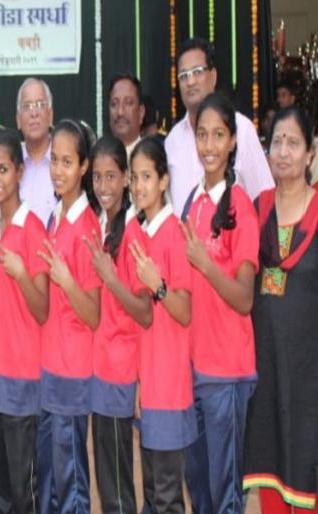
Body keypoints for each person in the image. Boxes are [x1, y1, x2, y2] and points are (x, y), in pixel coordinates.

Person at [181, 93, 259, 514]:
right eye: (202, 135)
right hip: (194, 370)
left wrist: (205, 263)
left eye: (218, 135)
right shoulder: (193, 203)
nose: (209, 145)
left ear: (232, 142)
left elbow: (244, 298)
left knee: (225, 492)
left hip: (227, 373)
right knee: (200, 489)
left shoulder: (240, 206)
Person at [243, 106, 318, 513]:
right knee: (268, 467)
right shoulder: (256, 210)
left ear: (310, 154)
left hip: (310, 374)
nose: (283, 152)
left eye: (293, 143)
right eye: (277, 142)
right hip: (266, 368)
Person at [0, 129, 49, 513]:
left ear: (19, 172)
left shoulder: (34, 228)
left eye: (4, 169)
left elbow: (42, 309)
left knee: (23, 490)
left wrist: (21, 274)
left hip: (21, 381)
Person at [84, 135, 152, 514]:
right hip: (101, 369)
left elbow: (145, 311)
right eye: (97, 177)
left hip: (119, 371)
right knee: (108, 478)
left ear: (127, 178)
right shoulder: (102, 226)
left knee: (118, 486)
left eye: (111, 176)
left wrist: (110, 278)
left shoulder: (133, 233)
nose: (103, 186)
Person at [36, 119, 101, 514]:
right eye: (54, 161)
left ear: (84, 167)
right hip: (49, 366)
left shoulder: (87, 228)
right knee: (49, 475)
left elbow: (93, 314)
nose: (58, 171)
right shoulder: (54, 217)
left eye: (67, 162)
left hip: (73, 371)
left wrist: (66, 280)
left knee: (71, 478)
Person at [129, 137, 197, 513]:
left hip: (171, 387)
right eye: (134, 177)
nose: (139, 186)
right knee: (154, 493)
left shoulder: (174, 233)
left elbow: (184, 310)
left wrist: (158, 285)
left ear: (164, 181)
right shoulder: (142, 233)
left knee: (167, 497)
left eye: (147, 177)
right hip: (150, 384)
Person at [165, 37, 273, 217]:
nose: (190, 82)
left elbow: (265, 201)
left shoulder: (241, 129)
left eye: (197, 72)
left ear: (213, 76)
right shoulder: (172, 142)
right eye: (183, 76)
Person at [17, 78, 56, 224]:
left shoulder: (63, 162)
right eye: (27, 106)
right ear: (18, 120)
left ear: (50, 115)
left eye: (40, 105)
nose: (34, 113)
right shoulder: (11, 164)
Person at [108, 74, 145, 158]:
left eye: (128, 103)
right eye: (114, 104)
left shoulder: (152, 159)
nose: (120, 112)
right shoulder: (98, 160)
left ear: (141, 112)